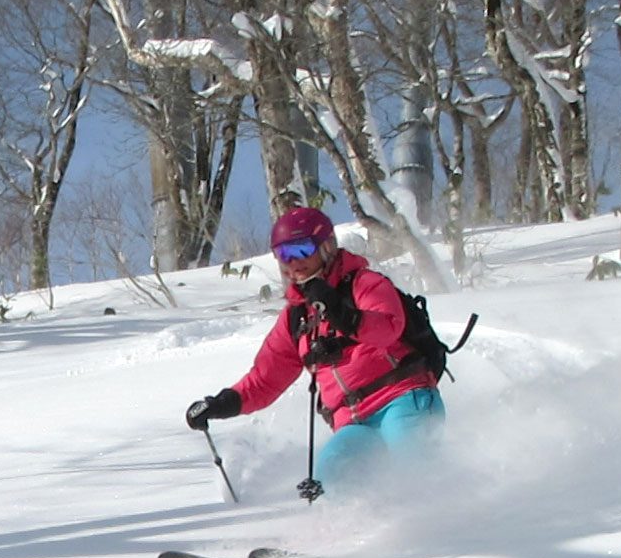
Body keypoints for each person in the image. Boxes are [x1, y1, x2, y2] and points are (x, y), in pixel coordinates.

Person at [184, 207, 445, 498]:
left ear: (326, 247)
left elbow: (387, 328)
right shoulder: (297, 318)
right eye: (283, 254)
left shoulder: (364, 284)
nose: (292, 262)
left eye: (301, 249)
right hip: (353, 422)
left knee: (414, 466)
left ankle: (447, 532)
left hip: (403, 398)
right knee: (332, 474)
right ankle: (344, 539)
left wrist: (341, 312)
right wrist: (220, 404)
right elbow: (265, 379)